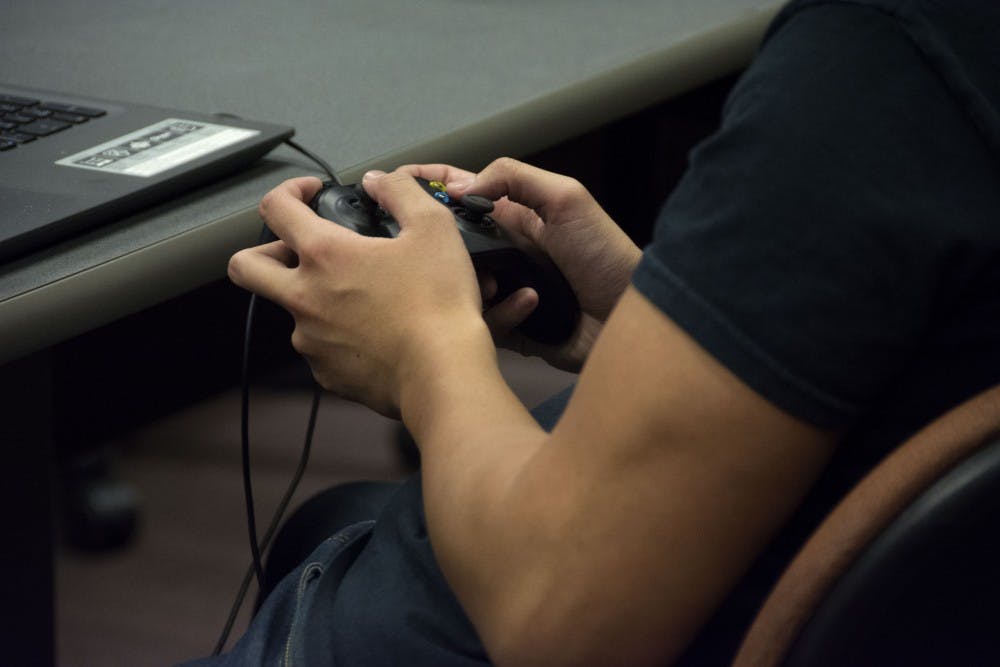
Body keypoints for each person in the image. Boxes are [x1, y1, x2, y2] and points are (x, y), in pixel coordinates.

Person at [188, 0, 1000, 664]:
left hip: (539, 614)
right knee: (327, 525)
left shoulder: (878, 69)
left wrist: (422, 349)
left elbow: (557, 622)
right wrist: (655, 324)